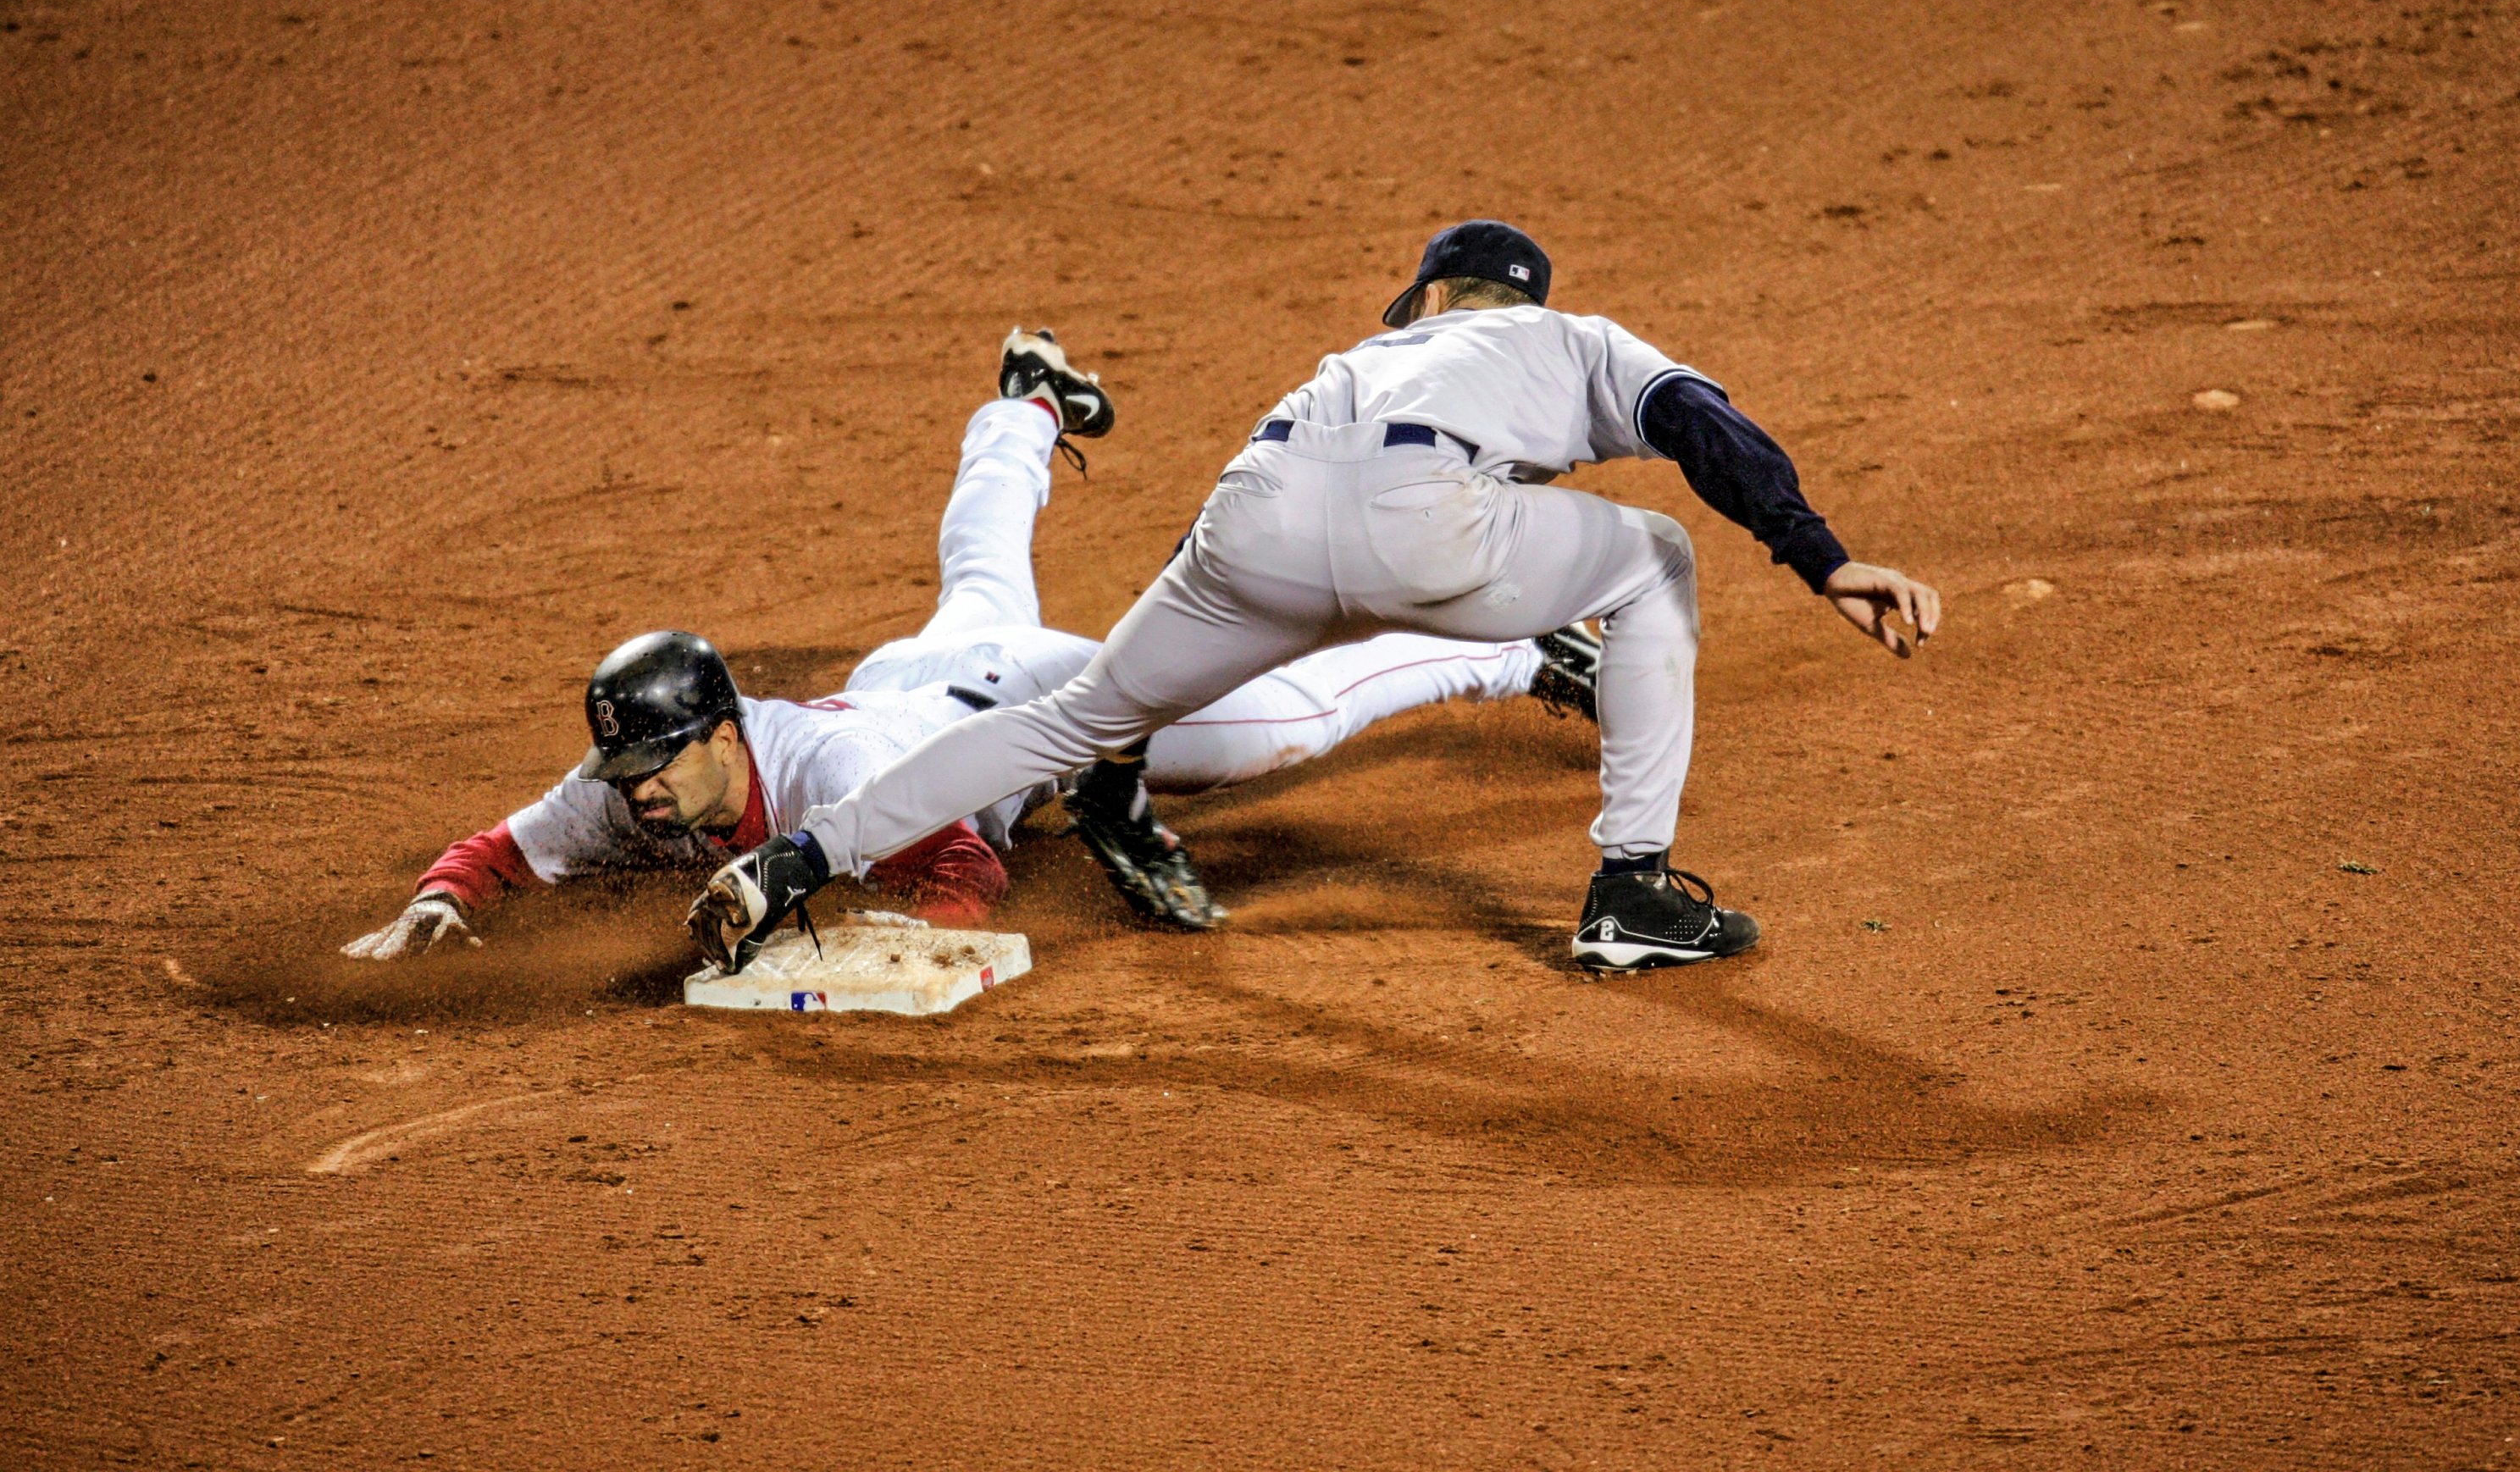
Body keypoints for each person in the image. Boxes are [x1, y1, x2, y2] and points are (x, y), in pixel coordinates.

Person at [692, 222, 1941, 976]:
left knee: (1066, 716)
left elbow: (1213, 528)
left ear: (1434, 299)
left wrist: (1126, 734)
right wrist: (1817, 555)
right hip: (1432, 527)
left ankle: (798, 860)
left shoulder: (1361, 354)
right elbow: (1698, 424)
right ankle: (1633, 890)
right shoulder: (1577, 341)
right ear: (1525, 303)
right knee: (1655, 556)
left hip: (1255, 524)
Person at [342, 329, 1598, 960]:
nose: (643, 792)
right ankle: (1031, 405)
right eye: (630, 778)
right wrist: (442, 904)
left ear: (720, 734)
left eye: (658, 768)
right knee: (981, 579)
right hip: (922, 681)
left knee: (1272, 727)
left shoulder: (836, 785)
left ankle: (1516, 646)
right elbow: (509, 846)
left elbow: (963, 876)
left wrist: (896, 948)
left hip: (1045, 706)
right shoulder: (642, 783)